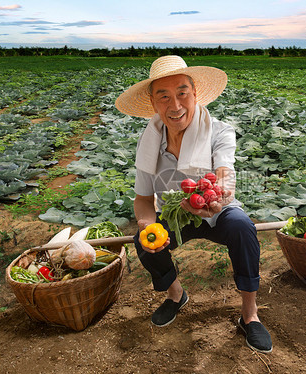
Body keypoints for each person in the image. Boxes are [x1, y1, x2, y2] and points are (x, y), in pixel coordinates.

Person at [114, 55, 272, 353]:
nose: (175, 106)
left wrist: (219, 195)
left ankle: (250, 314)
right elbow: (144, 200)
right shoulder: (149, 141)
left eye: (182, 94)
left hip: (217, 212)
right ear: (153, 103)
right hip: (176, 216)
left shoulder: (220, 130)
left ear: (195, 93)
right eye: (164, 97)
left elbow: (225, 172)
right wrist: (149, 227)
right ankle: (176, 295)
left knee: (242, 229)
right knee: (144, 239)